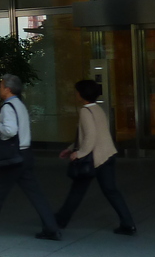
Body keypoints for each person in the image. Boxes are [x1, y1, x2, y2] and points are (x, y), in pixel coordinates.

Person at [0, 74, 62, 240]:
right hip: (25, 154)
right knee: (36, 194)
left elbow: (9, 131)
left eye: (1, 86)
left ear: (7, 89)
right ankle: (51, 228)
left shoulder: (8, 107)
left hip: (12, 158)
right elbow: (14, 133)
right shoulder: (20, 106)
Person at [55, 80, 136, 235]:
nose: (75, 94)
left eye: (77, 91)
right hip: (108, 154)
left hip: (95, 158)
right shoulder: (98, 109)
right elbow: (94, 134)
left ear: (81, 94)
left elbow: (90, 137)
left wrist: (78, 153)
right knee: (111, 191)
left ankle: (60, 220)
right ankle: (128, 224)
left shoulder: (85, 111)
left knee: (77, 190)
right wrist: (70, 148)